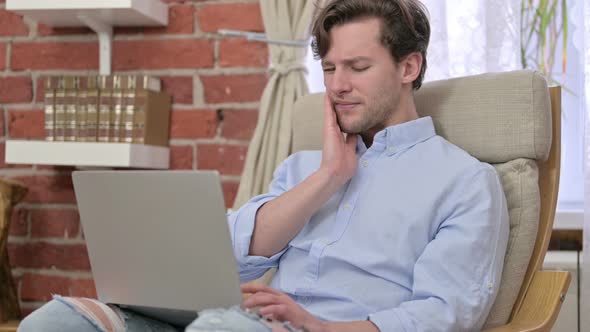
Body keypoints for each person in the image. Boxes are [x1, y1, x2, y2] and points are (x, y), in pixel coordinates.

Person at [19, 0, 509, 331]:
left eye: (358, 67)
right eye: (330, 68)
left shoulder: (464, 183)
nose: (338, 85)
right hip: (243, 323)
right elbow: (228, 257)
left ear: (409, 67)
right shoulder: (304, 169)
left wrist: (320, 326)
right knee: (54, 323)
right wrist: (328, 178)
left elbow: (445, 314)